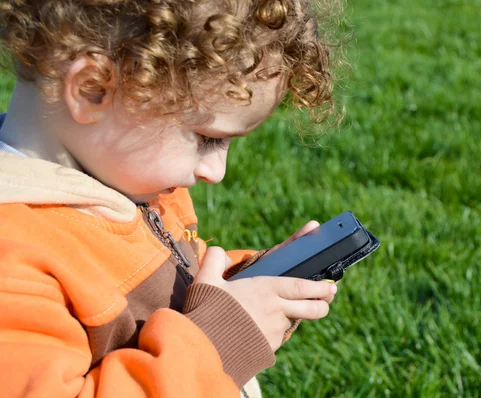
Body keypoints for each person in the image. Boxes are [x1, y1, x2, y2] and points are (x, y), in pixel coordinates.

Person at [0, 0, 341, 396]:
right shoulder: (13, 262)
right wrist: (217, 343)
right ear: (93, 89)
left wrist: (243, 285)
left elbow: (161, 282)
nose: (215, 172)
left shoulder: (130, 179)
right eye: (208, 138)